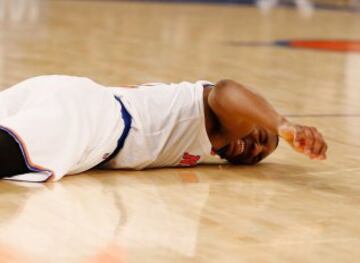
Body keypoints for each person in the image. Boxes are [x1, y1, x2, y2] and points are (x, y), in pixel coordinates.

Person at [0, 75, 327, 182]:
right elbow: (227, 90)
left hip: (74, 95)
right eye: (262, 138)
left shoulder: (205, 142)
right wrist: (283, 126)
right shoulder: (219, 116)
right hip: (99, 120)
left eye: (258, 156)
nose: (255, 148)